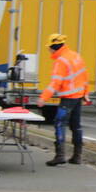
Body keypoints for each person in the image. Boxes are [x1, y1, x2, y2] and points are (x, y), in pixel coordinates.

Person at [36, 33, 88, 166]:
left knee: (59, 123)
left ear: (54, 47)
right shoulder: (76, 56)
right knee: (76, 126)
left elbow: (55, 83)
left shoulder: (61, 61)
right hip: (78, 96)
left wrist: (43, 98)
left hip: (68, 98)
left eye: (49, 47)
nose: (49, 50)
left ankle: (60, 155)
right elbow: (84, 77)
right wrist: (85, 93)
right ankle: (77, 156)